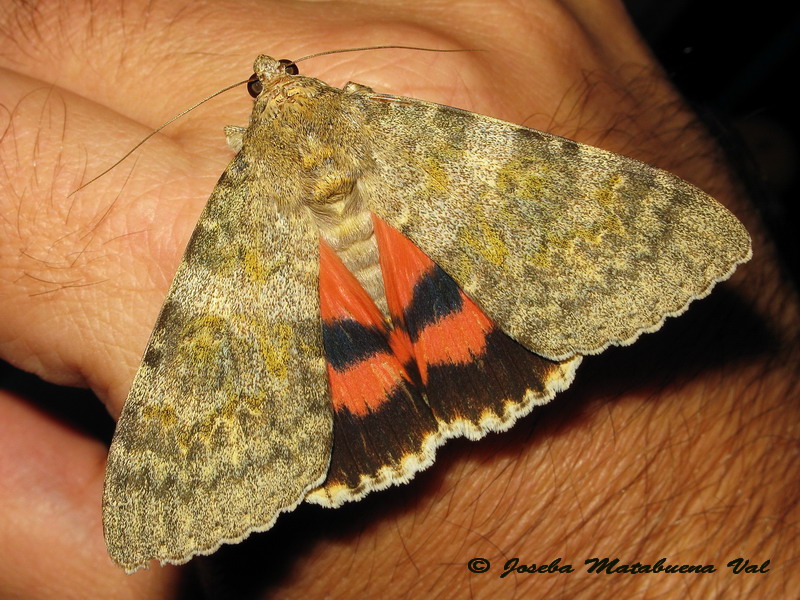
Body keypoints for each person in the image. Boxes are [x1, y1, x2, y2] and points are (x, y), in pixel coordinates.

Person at [0, 0, 796, 597]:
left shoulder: (248, 173)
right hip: (431, 274)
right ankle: (451, 354)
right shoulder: (381, 117)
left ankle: (379, 387)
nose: (274, 84)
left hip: (319, 306)